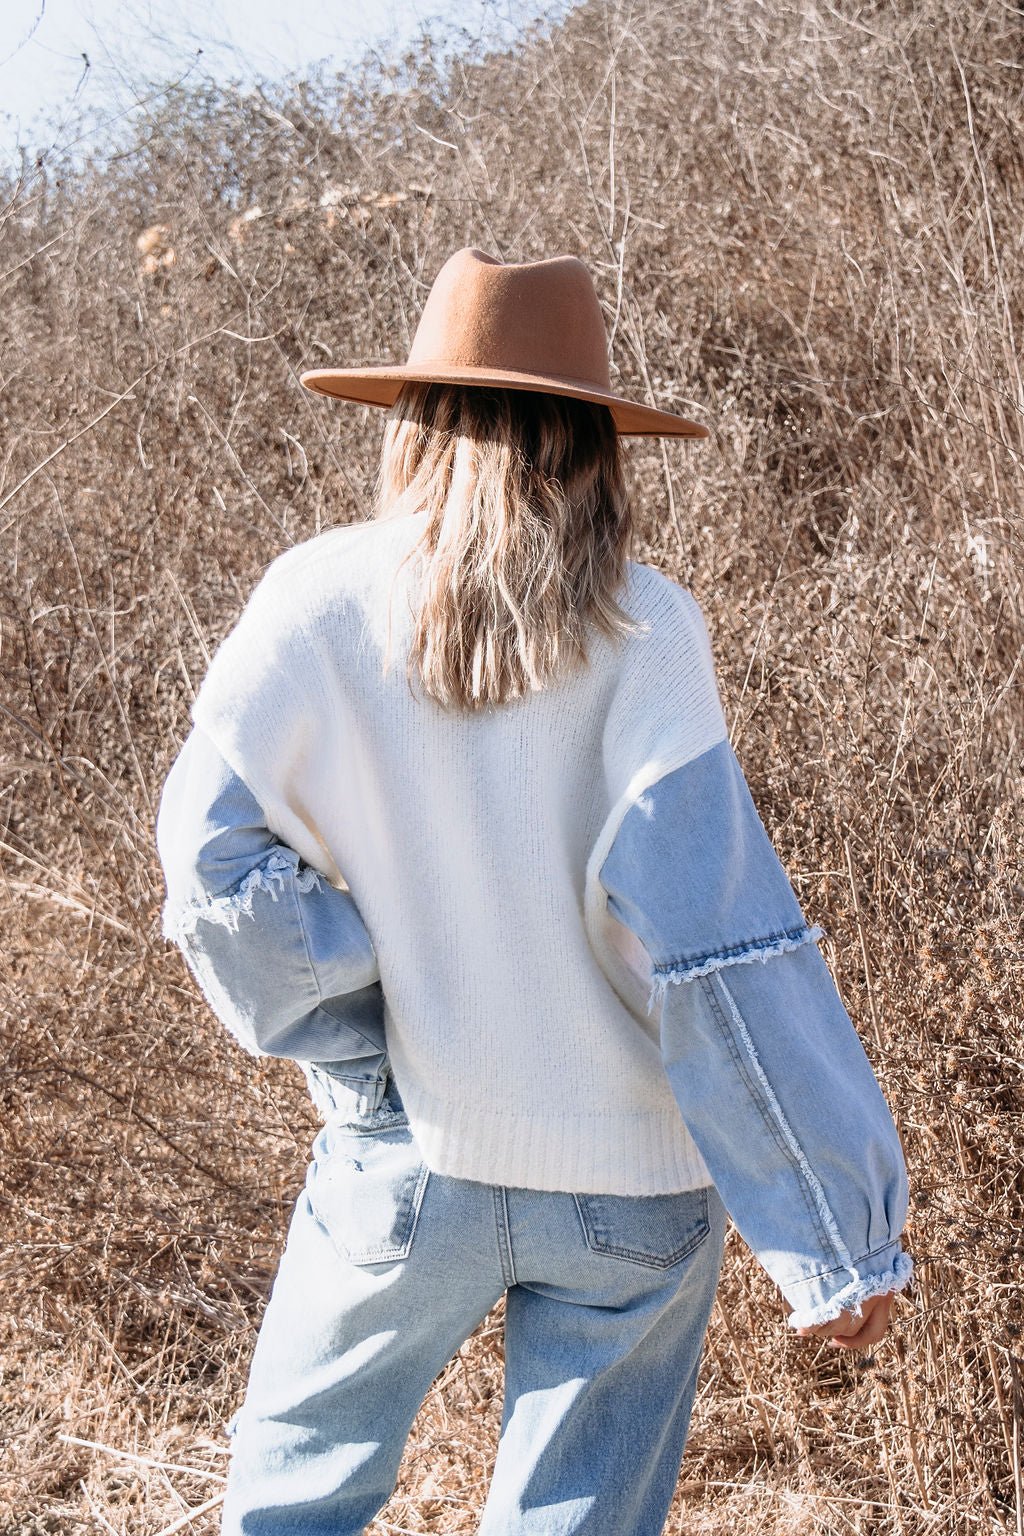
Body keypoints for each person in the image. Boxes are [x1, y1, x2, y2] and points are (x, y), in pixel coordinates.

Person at [156, 248, 914, 1536]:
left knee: (296, 1483)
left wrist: (360, 1031)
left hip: (410, 1158)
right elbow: (722, 951)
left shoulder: (317, 598)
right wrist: (839, 1232)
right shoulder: (649, 629)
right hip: (628, 1186)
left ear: (420, 425)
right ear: (597, 444)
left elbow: (212, 873)